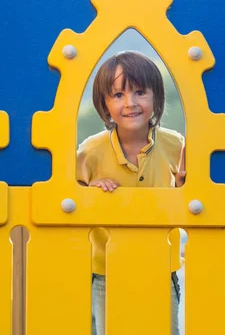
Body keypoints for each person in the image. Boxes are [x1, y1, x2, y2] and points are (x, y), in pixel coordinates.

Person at [76, 51, 185, 335]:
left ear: (156, 98)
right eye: (118, 95)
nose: (130, 103)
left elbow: (192, 196)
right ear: (104, 104)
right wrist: (92, 191)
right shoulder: (91, 151)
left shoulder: (175, 146)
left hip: (160, 267)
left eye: (140, 92)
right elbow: (71, 197)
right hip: (106, 271)